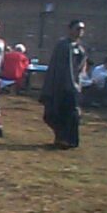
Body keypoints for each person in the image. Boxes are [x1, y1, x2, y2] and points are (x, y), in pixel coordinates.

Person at [41, 19, 88, 149]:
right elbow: (59, 68)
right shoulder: (62, 46)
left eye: (82, 29)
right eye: (77, 28)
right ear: (70, 29)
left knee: (72, 114)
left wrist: (78, 82)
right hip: (60, 86)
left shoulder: (80, 48)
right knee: (55, 113)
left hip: (74, 87)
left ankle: (69, 140)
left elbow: (80, 67)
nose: (80, 32)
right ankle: (60, 138)